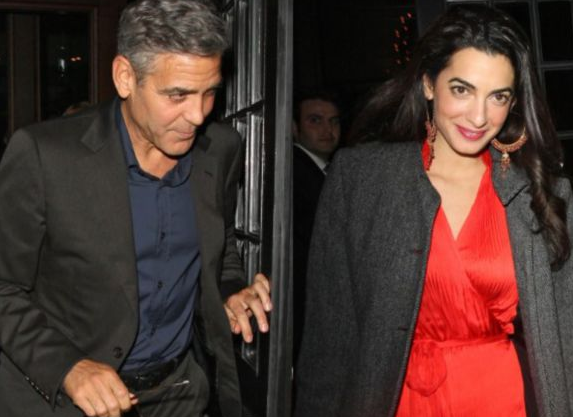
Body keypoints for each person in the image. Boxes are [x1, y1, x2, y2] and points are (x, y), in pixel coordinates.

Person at [295, 5, 573, 417]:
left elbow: (565, 335)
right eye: (462, 89)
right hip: (396, 400)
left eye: (498, 96)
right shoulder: (361, 181)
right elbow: (328, 339)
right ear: (428, 83)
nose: (479, 116)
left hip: (506, 400)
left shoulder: (542, 194)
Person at [0, 1, 271, 417]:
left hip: (179, 394)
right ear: (125, 77)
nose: (197, 115)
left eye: (210, 92)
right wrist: (68, 367)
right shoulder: (44, 155)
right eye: (177, 95)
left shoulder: (221, 149)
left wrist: (231, 291)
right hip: (65, 404)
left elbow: (221, 246)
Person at [292, 91, 341, 365]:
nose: (327, 130)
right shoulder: (295, 172)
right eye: (315, 120)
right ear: (294, 128)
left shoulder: (325, 171)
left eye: (334, 121)